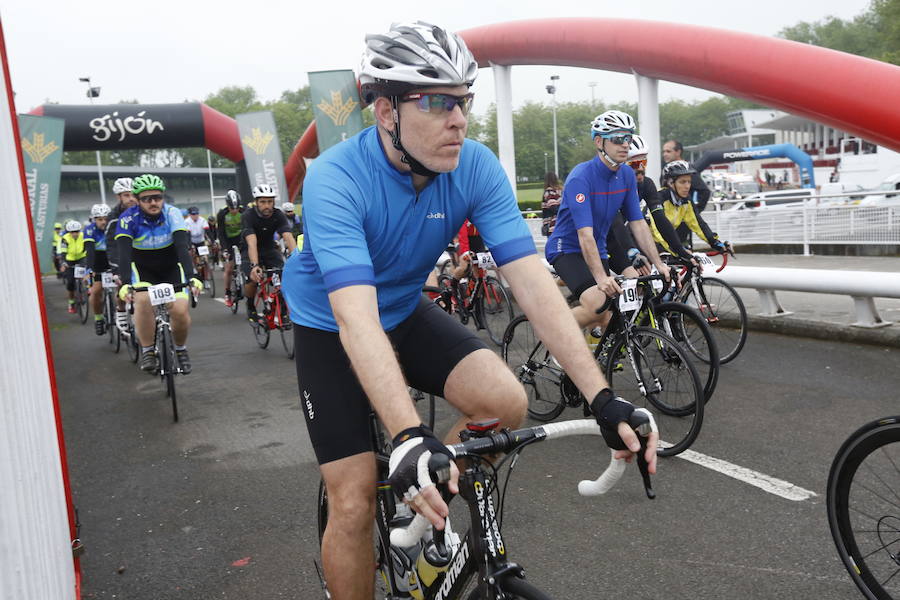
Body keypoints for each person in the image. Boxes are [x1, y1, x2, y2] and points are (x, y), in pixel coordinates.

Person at [281, 22, 657, 600]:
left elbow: (532, 285)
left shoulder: (475, 166)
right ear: (385, 112)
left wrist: (602, 397)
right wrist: (408, 434)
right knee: (353, 497)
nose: (459, 119)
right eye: (437, 102)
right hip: (330, 323)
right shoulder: (334, 178)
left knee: (506, 402)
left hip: (403, 308)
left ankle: (417, 505)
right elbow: (355, 318)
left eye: (464, 101)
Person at [546, 110, 670, 332]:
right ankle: (551, 330)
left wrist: (658, 263)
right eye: (617, 139)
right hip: (567, 249)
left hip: (599, 248)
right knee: (598, 304)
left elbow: (638, 224)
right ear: (599, 141)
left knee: (609, 317)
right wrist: (602, 278)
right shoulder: (580, 177)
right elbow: (584, 235)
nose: (625, 145)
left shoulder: (627, 176)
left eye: (628, 138)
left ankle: (602, 362)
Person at [115, 175, 201, 374]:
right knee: (143, 301)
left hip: (171, 266)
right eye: (147, 199)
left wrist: (192, 276)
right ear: (137, 200)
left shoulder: (173, 214)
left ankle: (180, 349)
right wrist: (126, 283)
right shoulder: (128, 218)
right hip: (143, 269)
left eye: (157, 197)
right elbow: (124, 254)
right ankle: (147, 350)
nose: (153, 202)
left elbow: (181, 247)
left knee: (180, 311)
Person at [652, 161, 733, 257]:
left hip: (664, 247)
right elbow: (657, 230)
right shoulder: (658, 198)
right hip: (646, 245)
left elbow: (698, 224)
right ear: (670, 183)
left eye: (689, 182)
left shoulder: (685, 201)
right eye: (682, 182)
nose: (687, 186)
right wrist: (678, 251)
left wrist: (716, 243)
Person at [241, 184, 296, 323]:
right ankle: (250, 304)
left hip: (269, 248)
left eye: (270, 201)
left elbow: (288, 237)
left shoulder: (278, 215)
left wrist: (297, 258)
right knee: (252, 280)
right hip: (251, 249)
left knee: (283, 277)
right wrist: (254, 265)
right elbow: (252, 243)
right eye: (263, 202)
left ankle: (283, 310)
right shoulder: (248, 215)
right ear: (256, 202)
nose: (267, 205)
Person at [661, 139, 711, 248]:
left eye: (668, 151)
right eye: (663, 151)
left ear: (678, 152)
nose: (665, 154)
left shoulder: (687, 170)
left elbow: (705, 191)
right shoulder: (667, 170)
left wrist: (695, 210)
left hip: (683, 222)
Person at [106, 178, 137, 331]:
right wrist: (116, 269)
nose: (131, 198)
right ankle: (121, 311)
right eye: (126, 195)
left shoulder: (141, 209)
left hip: (139, 254)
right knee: (122, 285)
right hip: (120, 254)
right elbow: (111, 244)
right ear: (119, 197)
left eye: (133, 194)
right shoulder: (113, 216)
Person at [83, 204, 113, 334]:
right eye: (100, 219)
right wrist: (89, 270)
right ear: (94, 220)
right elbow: (90, 252)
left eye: (105, 218)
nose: (103, 222)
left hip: (112, 261)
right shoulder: (89, 230)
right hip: (96, 262)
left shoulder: (113, 227)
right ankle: (98, 318)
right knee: (95, 291)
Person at [216, 190, 244, 307]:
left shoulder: (244, 211)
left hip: (241, 239)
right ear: (228, 206)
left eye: (236, 208)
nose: (234, 211)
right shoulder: (222, 214)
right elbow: (221, 233)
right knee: (228, 268)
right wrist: (225, 249)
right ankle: (227, 292)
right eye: (232, 208)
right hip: (228, 241)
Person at [58, 220, 87, 314]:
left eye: (77, 231)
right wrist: (63, 263)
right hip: (69, 259)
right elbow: (63, 252)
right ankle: (71, 302)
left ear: (80, 231)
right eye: (72, 232)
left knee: (86, 274)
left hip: (81, 257)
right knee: (70, 283)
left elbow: (88, 247)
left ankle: (86, 288)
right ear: (69, 232)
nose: (75, 234)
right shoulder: (65, 238)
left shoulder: (83, 236)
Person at [541, 171, 562, 237]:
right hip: (560, 224)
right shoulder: (560, 192)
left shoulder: (548, 193)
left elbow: (554, 208)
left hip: (552, 226)